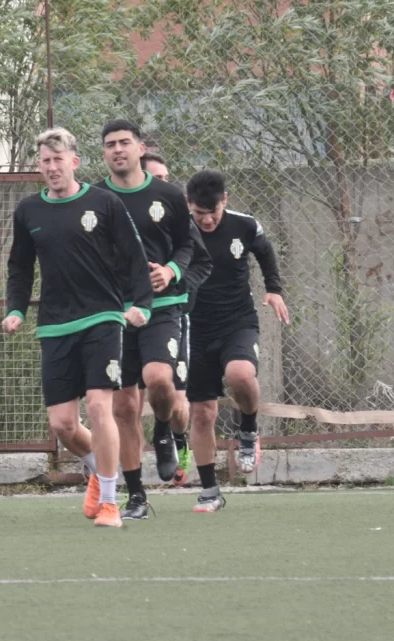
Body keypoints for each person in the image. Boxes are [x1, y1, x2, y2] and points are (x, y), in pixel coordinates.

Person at [3, 128, 152, 528]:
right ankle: (102, 471)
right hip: (54, 325)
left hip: (103, 317)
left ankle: (109, 502)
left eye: (59, 159)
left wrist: (141, 305)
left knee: (101, 406)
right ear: (39, 166)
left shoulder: (104, 202)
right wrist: (15, 309)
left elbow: (135, 258)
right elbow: (19, 266)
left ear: (75, 161)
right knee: (63, 425)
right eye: (45, 161)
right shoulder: (28, 211)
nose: (52, 167)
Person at [96, 120, 195, 520]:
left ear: (139, 148)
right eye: (109, 145)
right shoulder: (95, 198)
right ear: (103, 154)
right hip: (113, 313)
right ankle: (136, 495)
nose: (117, 149)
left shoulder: (167, 195)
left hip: (162, 307)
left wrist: (170, 270)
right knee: (122, 408)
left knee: (158, 380)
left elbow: (189, 245)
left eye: (124, 143)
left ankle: (166, 430)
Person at [186, 170, 289, 512]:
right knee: (201, 413)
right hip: (195, 328)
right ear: (189, 206)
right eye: (199, 214)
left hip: (237, 322)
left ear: (224, 201)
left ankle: (248, 430)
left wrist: (274, 289)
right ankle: (210, 491)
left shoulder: (244, 225)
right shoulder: (179, 229)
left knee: (240, 375)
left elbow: (265, 252)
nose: (207, 219)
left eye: (212, 212)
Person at [140, 151, 212, 486]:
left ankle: (173, 437)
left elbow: (200, 262)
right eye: (157, 178)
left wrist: (174, 277)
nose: (164, 185)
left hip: (172, 314)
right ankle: (114, 481)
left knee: (176, 400)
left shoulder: (176, 215)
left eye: (167, 178)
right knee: (118, 404)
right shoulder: (117, 211)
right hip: (125, 317)